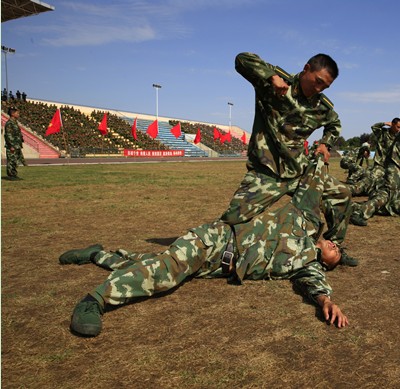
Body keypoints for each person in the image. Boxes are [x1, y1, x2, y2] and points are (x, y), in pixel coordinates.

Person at [61, 156, 349, 337]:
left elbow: (315, 286)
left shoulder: (306, 265)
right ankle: (95, 300)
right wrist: (321, 157)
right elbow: (314, 181)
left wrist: (327, 302)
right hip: (215, 239)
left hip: (216, 267)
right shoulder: (305, 218)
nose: (335, 246)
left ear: (324, 262)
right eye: (336, 245)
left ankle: (98, 253)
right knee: (166, 271)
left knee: (155, 264)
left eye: (336, 254)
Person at [219, 52, 357, 265]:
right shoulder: (274, 83)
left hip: (300, 172)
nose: (319, 89)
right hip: (267, 172)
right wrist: (270, 76)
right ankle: (216, 253)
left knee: (342, 195)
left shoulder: (321, 106)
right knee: (231, 220)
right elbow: (241, 60)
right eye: (318, 81)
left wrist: (325, 143)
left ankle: (333, 246)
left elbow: (334, 123)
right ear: (306, 68)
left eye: (325, 87)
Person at [3, 107, 25, 180]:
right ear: (12, 114)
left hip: (17, 145)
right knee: (11, 161)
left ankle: (14, 174)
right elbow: (8, 135)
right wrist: (11, 145)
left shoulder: (15, 122)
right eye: (17, 113)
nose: (18, 114)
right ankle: (11, 175)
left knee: (15, 160)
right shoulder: (9, 123)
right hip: (12, 145)